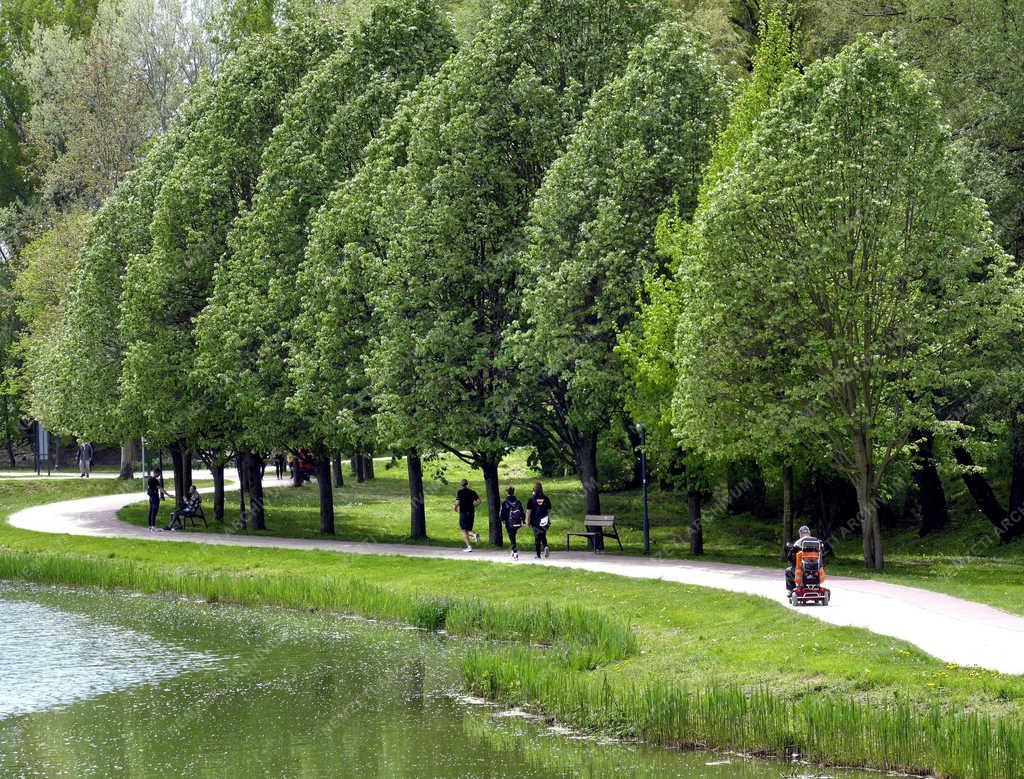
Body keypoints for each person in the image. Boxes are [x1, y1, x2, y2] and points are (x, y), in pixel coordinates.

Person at [785, 525, 820, 592]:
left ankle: (791, 590)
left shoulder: (798, 543)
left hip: (801, 570)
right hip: (816, 569)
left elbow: (790, 557)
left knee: (788, 571)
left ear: (800, 533)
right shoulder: (816, 541)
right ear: (809, 533)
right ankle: (816, 584)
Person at [498, 486, 526, 560]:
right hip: (517, 522)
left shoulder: (504, 502)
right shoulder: (518, 502)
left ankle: (515, 552)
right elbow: (522, 512)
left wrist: (502, 521)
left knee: (512, 537)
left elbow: (501, 514)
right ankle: (513, 551)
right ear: (514, 492)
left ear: (507, 492)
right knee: (513, 536)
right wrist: (523, 521)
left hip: (509, 522)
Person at [526, 482, 552, 559]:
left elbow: (528, 512)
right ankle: (546, 546)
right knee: (543, 535)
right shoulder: (546, 498)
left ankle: (538, 555)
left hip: (535, 521)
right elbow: (549, 511)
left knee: (537, 538)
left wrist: (527, 521)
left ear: (534, 490)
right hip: (544, 520)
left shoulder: (531, 499)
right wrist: (548, 520)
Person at [454, 478, 481, 551]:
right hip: (471, 513)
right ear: (467, 484)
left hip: (463, 513)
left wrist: (455, 508)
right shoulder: (472, 492)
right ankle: (474, 535)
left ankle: (469, 546)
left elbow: (457, 502)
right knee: (468, 529)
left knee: (463, 530)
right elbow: (479, 501)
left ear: (461, 484)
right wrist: (474, 505)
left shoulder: (459, 492)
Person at [146, 468, 171, 532]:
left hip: (151, 497)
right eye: (159, 474)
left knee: (151, 511)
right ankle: (153, 526)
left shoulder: (149, 479)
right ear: (156, 473)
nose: (159, 475)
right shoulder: (155, 480)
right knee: (154, 511)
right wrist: (168, 495)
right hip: (155, 497)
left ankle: (150, 526)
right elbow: (160, 488)